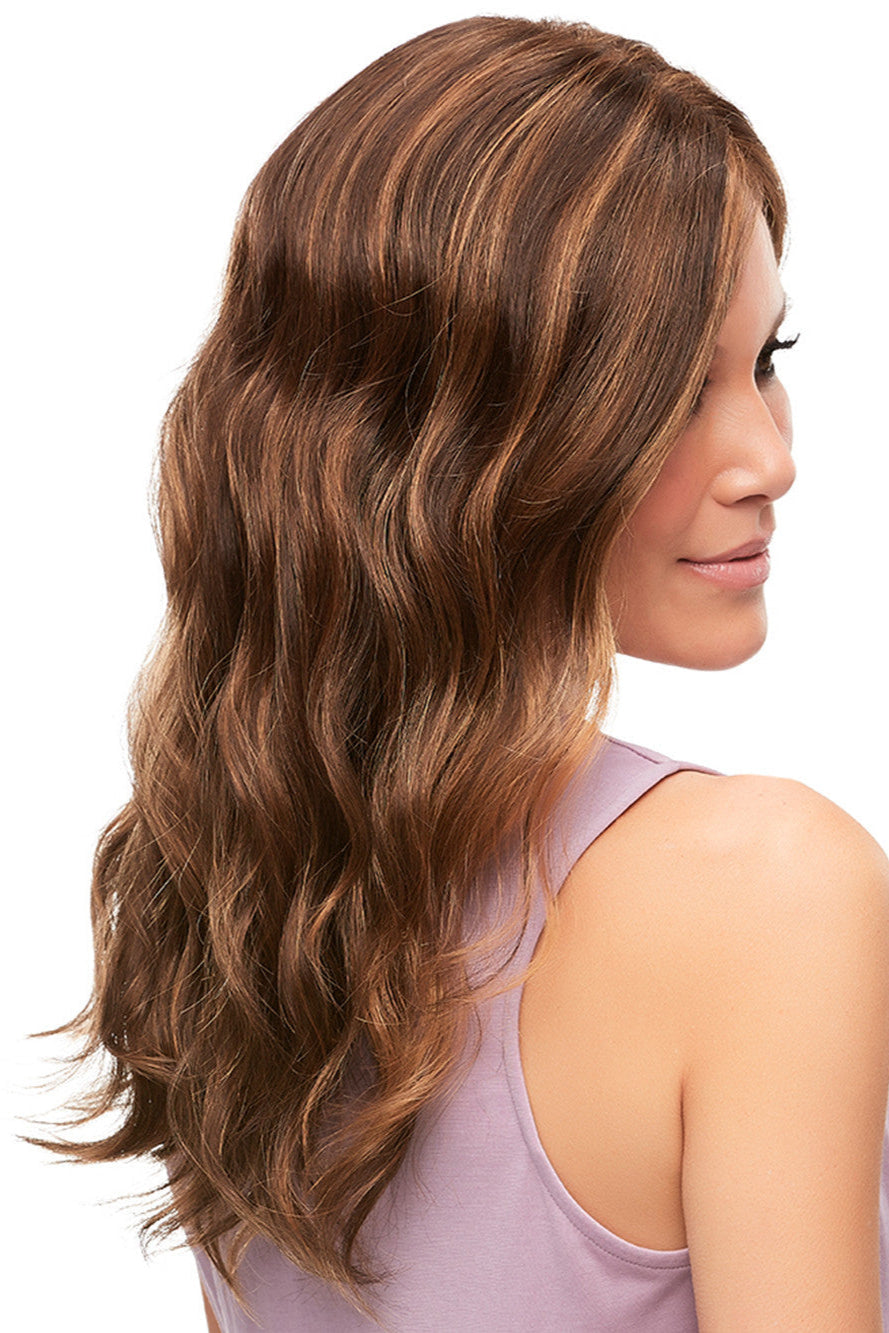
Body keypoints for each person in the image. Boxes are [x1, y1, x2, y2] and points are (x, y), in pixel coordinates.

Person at [23, 14, 889, 1330]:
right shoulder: (766, 888)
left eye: (765, 362)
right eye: (667, 389)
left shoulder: (231, 883)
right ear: (456, 438)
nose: (769, 457)